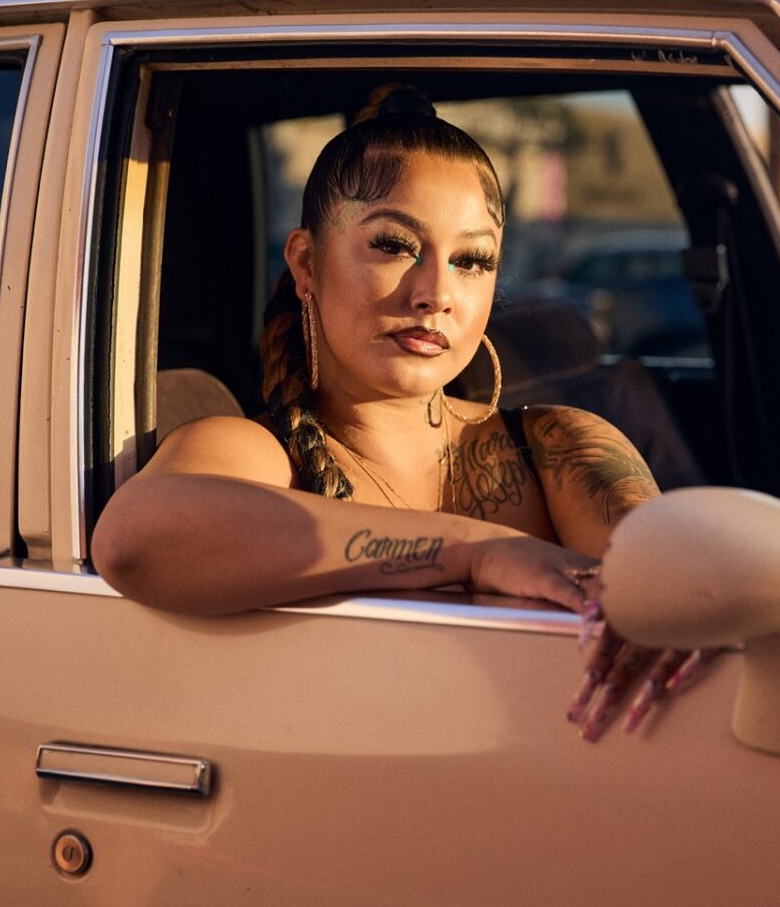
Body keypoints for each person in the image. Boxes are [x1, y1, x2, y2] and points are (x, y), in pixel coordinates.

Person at [92, 84, 680, 741]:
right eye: (395, 246)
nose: (436, 294)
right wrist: (479, 552)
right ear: (307, 263)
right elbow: (135, 541)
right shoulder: (262, 454)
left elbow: (672, 597)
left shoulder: (557, 446)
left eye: (472, 260)